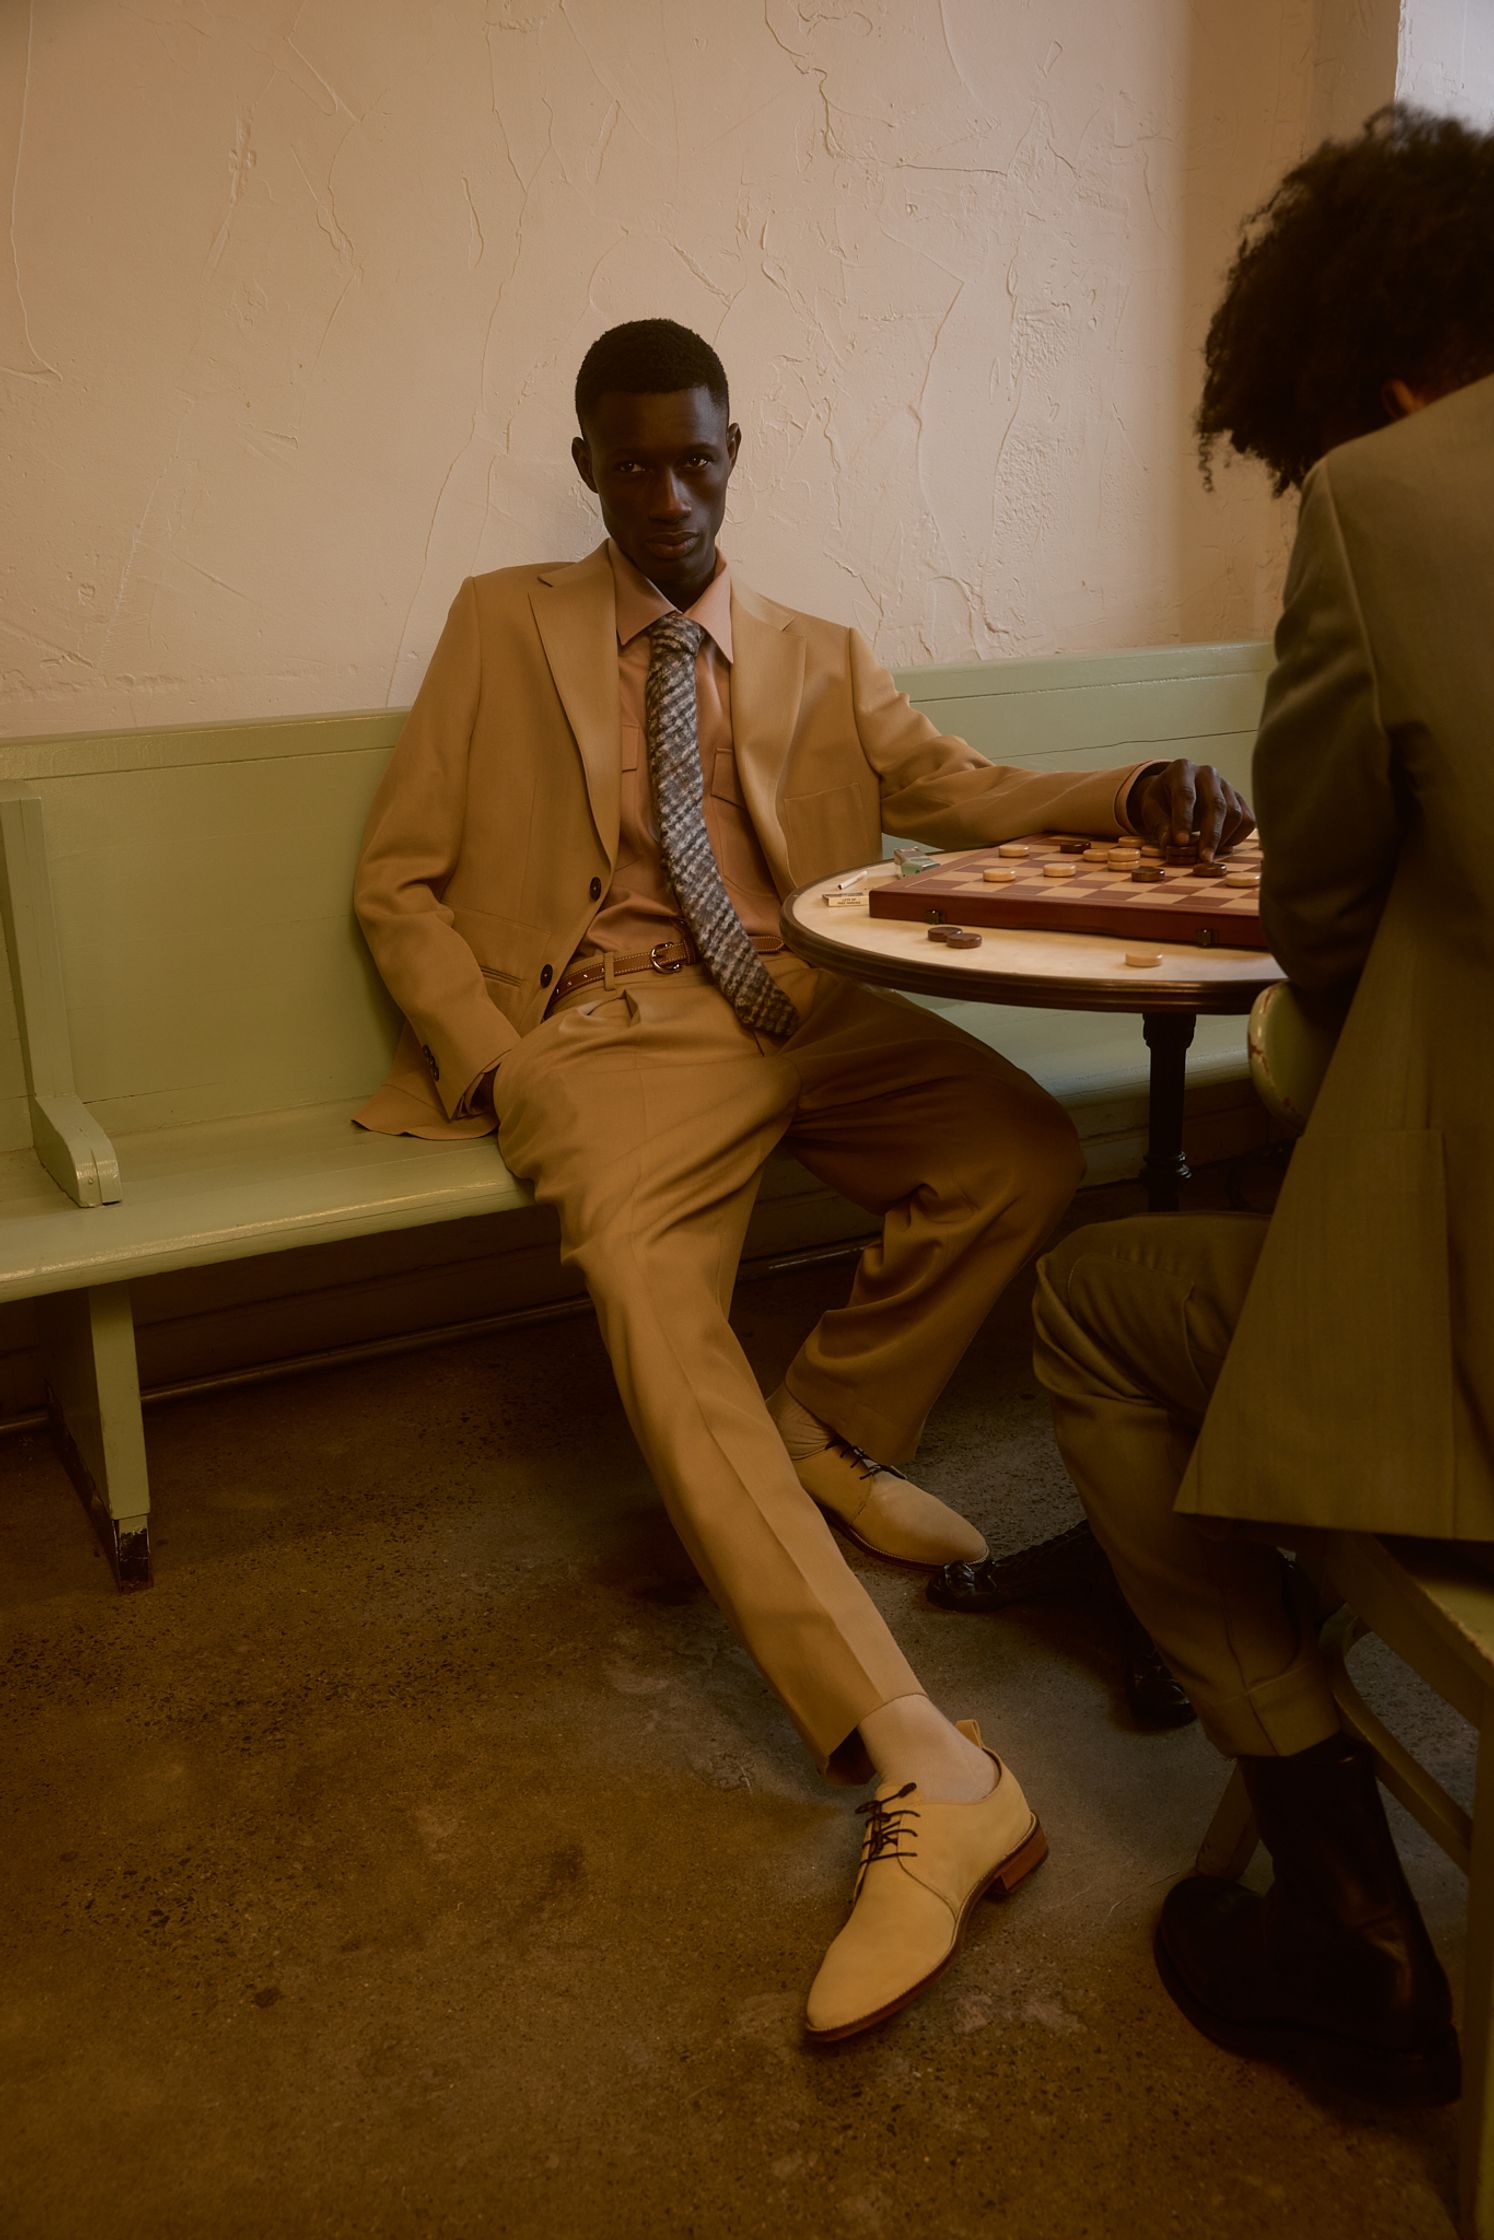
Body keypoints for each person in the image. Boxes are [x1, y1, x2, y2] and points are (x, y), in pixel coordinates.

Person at [353, 316, 1248, 2039]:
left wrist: (1134, 788)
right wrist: (500, 1058)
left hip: (818, 1002)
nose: (666, 492)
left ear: (735, 454)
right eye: (631, 463)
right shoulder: (498, 624)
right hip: (613, 1030)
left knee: (1018, 1148)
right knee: (650, 1297)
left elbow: (963, 792)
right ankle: (921, 1754)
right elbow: (396, 881)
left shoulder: (817, 651)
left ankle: (827, 1431)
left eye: (695, 459)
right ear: (587, 465)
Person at [1031, 104, 1494, 2105]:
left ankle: (1358, 1927)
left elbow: (1314, 916)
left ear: (1375, 384)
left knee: (1096, 1300)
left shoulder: (1393, 504)